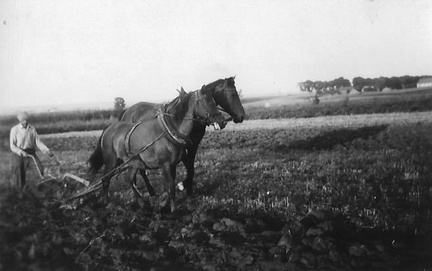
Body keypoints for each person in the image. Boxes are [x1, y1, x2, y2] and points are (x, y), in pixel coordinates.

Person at [10, 112, 53, 188]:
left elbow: (38, 142)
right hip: (18, 154)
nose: (25, 122)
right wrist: (21, 152)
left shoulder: (32, 129)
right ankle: (19, 192)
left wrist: (47, 150)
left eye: (26, 120)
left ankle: (38, 189)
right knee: (18, 171)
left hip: (30, 153)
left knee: (39, 169)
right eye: (23, 120)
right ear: (20, 121)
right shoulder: (15, 130)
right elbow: (12, 146)